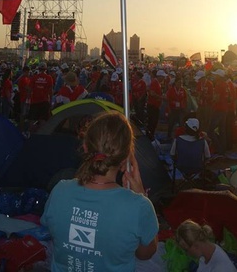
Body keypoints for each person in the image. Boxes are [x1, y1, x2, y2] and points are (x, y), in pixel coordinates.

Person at [41, 111, 158, 271]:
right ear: (125, 158)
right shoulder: (139, 206)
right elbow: (146, 253)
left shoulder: (59, 191)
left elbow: (52, 229)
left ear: (85, 146)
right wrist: (141, 195)